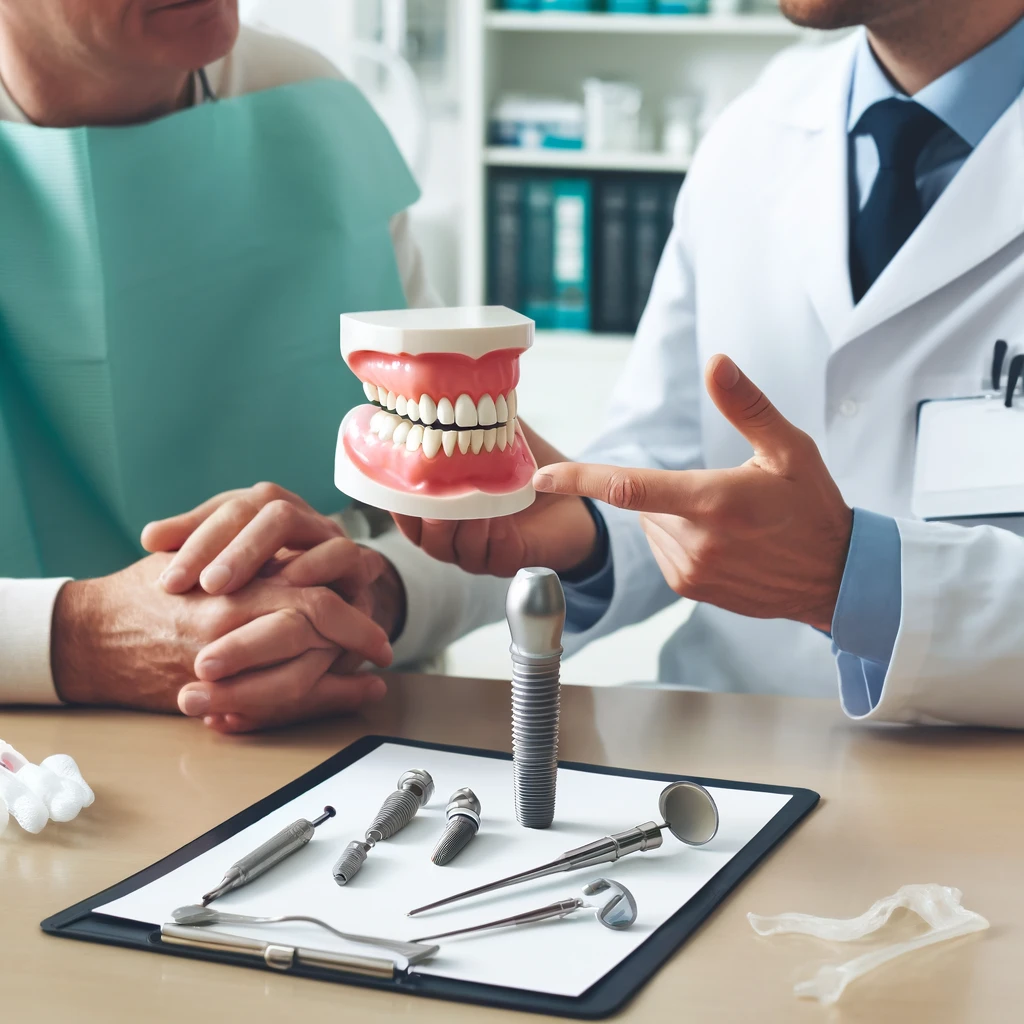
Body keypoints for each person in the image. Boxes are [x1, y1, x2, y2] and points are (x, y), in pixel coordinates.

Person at [396, 0, 1024, 727]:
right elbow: (678, 451)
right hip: (721, 751)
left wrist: (855, 580)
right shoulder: (757, 124)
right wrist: (591, 528)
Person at [0, 0, 506, 731]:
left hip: (335, 747)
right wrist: (87, 636)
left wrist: (372, 593)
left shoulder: (307, 109)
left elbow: (490, 517)